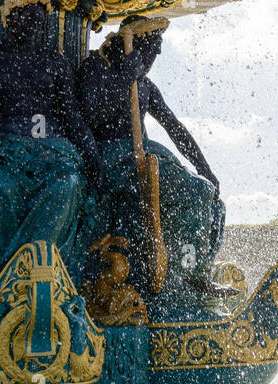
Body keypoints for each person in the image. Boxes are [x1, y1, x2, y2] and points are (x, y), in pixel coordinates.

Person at [0, 0, 100, 299]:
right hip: (5, 150)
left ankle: (41, 276)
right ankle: (6, 279)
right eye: (26, 19)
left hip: (53, 151)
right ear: (9, 21)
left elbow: (72, 117)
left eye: (39, 21)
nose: (34, 27)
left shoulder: (56, 63)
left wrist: (93, 156)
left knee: (68, 185)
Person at [77, 19, 227, 305]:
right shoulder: (97, 69)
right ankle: (186, 273)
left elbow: (175, 128)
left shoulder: (144, 84)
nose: (154, 59)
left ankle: (194, 270)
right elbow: (89, 117)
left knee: (210, 195)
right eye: (152, 50)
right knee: (196, 192)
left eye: (158, 52)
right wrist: (124, 79)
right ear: (133, 44)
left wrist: (204, 168)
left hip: (142, 160)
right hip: (110, 157)